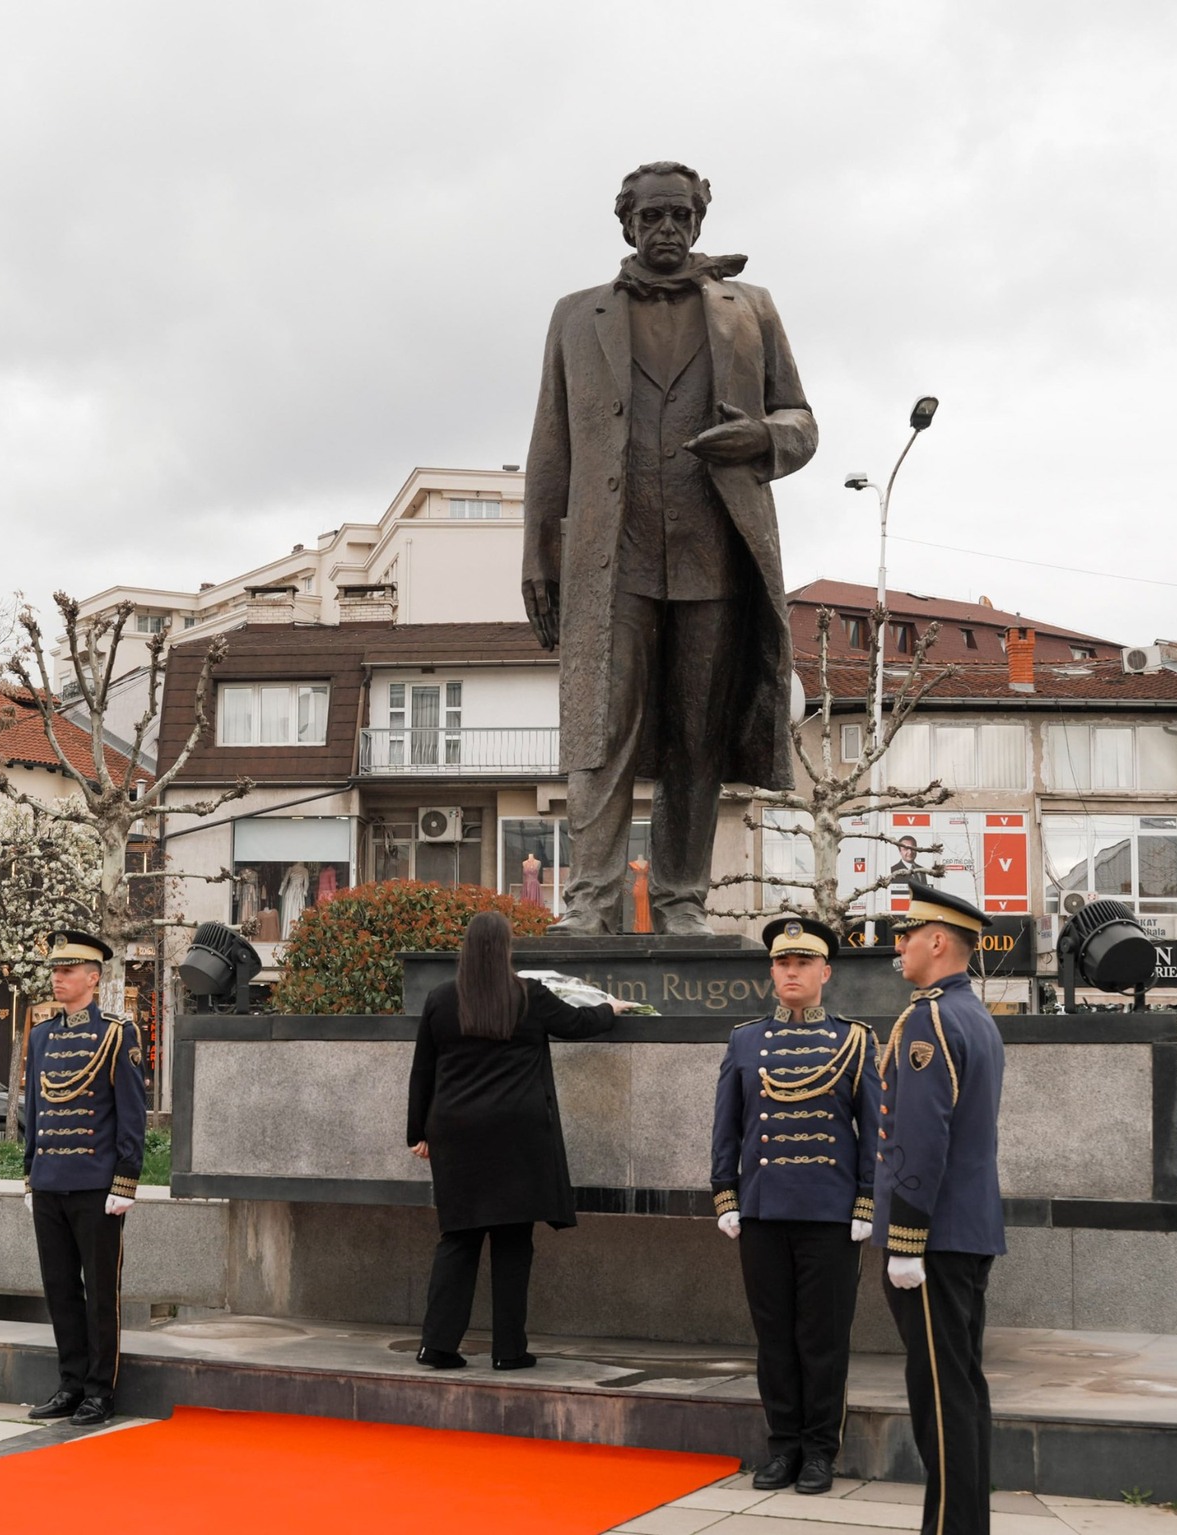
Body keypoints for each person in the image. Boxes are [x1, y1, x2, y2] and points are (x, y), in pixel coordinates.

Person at [523, 160, 816, 936]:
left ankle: (683, 901)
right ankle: (592, 900)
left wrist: (762, 435)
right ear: (626, 223)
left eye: (681, 216)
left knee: (697, 734)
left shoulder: (748, 308)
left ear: (698, 222)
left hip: (713, 552)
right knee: (599, 729)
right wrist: (537, 552)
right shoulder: (574, 315)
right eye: (652, 216)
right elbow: (551, 447)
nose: (667, 230)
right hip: (608, 560)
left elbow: (801, 420)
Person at [406, 911, 632, 1370]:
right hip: (517, 1135)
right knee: (513, 1242)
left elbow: (423, 1072)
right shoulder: (528, 996)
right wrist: (612, 1009)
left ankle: (437, 1345)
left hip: (457, 1135)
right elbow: (579, 1023)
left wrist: (417, 1133)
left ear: (466, 950)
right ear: (506, 950)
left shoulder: (441, 999)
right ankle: (509, 1352)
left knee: (459, 1238)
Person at [711, 917, 878, 1496]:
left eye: (803, 963)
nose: (791, 972)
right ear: (771, 971)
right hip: (762, 1210)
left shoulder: (855, 1040)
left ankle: (819, 1452)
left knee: (823, 1338)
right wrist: (725, 1194)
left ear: (824, 972)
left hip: (830, 1213)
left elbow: (875, 1129)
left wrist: (866, 1198)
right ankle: (782, 1448)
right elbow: (727, 1128)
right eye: (783, 963)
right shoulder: (745, 1040)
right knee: (774, 1337)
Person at [873, 883, 1004, 1535]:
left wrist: (905, 1238)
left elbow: (921, 1133)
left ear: (938, 941)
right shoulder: (973, 1015)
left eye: (907, 933)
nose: (898, 945)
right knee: (961, 1387)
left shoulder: (929, 1019)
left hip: (934, 1240)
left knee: (941, 1396)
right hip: (966, 1233)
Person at [20, 929, 147, 1427]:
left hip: (97, 1185)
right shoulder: (39, 1035)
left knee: (100, 1291)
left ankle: (101, 1391)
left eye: (68, 970)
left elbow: (130, 1115)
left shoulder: (118, 1033)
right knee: (59, 1290)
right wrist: (30, 1174)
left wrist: (125, 1181)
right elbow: (33, 1110)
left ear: (93, 978)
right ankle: (70, 1384)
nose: (58, 978)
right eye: (55, 970)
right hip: (51, 1180)